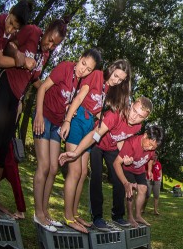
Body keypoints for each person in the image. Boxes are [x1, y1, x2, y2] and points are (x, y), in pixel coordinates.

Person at [0, 17, 68, 219]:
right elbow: (7, 45)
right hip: (3, 86)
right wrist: (19, 55)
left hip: (15, 98)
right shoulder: (31, 31)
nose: (50, 45)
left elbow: (35, 79)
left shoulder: (45, 55)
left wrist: (50, 93)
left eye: (55, 44)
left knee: (3, 148)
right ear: (46, 31)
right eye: (50, 40)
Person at [59, 96, 152, 231]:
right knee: (96, 176)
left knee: (120, 177)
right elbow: (96, 134)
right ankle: (97, 217)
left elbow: (121, 138)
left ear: (144, 119)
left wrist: (125, 156)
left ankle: (118, 215)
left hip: (112, 148)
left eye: (140, 116)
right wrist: (77, 151)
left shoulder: (137, 126)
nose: (134, 117)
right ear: (130, 105)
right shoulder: (115, 115)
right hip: (97, 144)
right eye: (134, 111)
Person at [59, 59, 131, 233]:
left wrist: (109, 124)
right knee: (74, 172)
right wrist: (67, 120)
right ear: (111, 69)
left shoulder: (109, 90)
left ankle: (75, 214)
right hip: (77, 121)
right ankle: (68, 217)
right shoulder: (97, 75)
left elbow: (97, 111)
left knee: (83, 173)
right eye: (115, 76)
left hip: (89, 125)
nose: (116, 81)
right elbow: (81, 97)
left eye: (120, 80)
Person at [33, 47, 100, 232]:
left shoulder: (80, 83)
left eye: (88, 69)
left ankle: (45, 213)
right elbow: (43, 88)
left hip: (57, 124)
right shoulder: (65, 67)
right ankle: (38, 213)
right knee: (44, 165)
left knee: (54, 168)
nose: (83, 70)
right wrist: (38, 114)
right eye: (83, 64)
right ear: (80, 59)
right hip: (44, 117)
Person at [0, 0, 33, 105]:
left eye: (15, 28)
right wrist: (22, 62)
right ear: (11, 11)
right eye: (10, 23)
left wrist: (16, 52)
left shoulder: (12, 35)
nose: (10, 29)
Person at [114, 125, 163, 227]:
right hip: (128, 169)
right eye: (149, 144)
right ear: (145, 135)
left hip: (139, 169)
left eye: (153, 147)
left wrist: (149, 170)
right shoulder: (131, 143)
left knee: (143, 188)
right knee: (131, 190)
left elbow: (150, 158)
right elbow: (116, 163)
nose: (150, 148)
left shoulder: (152, 148)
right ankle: (130, 217)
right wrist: (126, 183)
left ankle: (138, 216)